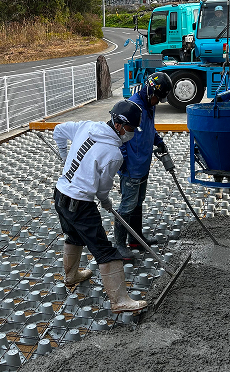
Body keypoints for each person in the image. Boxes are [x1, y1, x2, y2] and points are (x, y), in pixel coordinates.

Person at [53, 99, 147, 313]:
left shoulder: (86, 126)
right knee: (105, 251)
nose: (132, 133)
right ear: (118, 125)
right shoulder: (113, 154)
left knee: (73, 236)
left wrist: (65, 157)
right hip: (79, 204)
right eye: (130, 128)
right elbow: (102, 188)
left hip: (60, 194)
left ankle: (71, 276)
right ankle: (119, 300)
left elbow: (58, 130)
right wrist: (105, 201)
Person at [114, 72, 174, 258]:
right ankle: (119, 245)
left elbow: (150, 128)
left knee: (138, 203)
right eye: (158, 98)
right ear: (150, 91)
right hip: (131, 167)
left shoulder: (149, 105)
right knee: (127, 206)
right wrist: (123, 162)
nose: (158, 102)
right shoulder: (132, 107)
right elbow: (119, 136)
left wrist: (159, 142)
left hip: (143, 165)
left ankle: (136, 238)